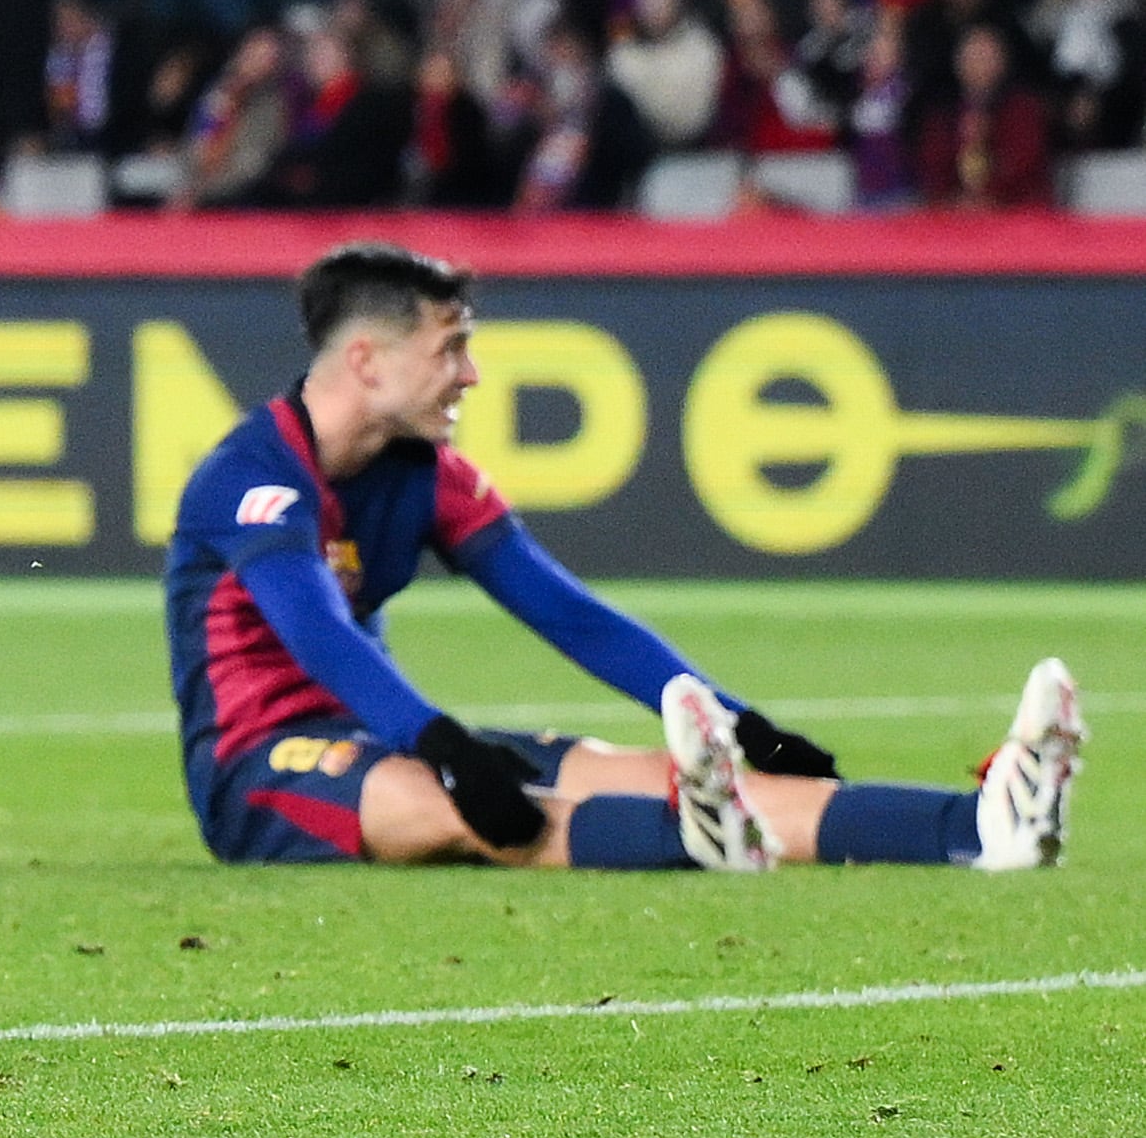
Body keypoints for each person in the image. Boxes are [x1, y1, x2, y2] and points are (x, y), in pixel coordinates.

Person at [165, 242, 1086, 873]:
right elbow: (319, 635)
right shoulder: (248, 480)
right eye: (452, 349)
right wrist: (443, 747)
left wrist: (738, 723)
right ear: (366, 362)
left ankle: (982, 825)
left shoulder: (428, 476)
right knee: (466, 811)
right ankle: (695, 840)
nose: (471, 375)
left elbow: (570, 615)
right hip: (259, 773)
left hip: (385, 733)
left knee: (661, 769)